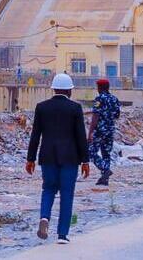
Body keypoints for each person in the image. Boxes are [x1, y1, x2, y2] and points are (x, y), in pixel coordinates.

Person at [26, 73, 91, 245]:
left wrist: (30, 159)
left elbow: (35, 135)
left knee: (48, 190)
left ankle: (45, 218)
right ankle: (62, 235)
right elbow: (80, 136)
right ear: (70, 91)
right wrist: (85, 160)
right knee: (66, 194)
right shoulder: (75, 108)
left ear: (53, 89)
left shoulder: (42, 107)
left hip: (47, 157)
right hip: (70, 158)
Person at [87, 78, 121, 186]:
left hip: (100, 130)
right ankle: (104, 179)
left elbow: (95, 116)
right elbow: (117, 115)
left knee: (90, 151)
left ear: (100, 87)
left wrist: (90, 132)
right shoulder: (114, 99)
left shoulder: (99, 99)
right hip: (110, 130)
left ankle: (104, 169)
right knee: (106, 153)